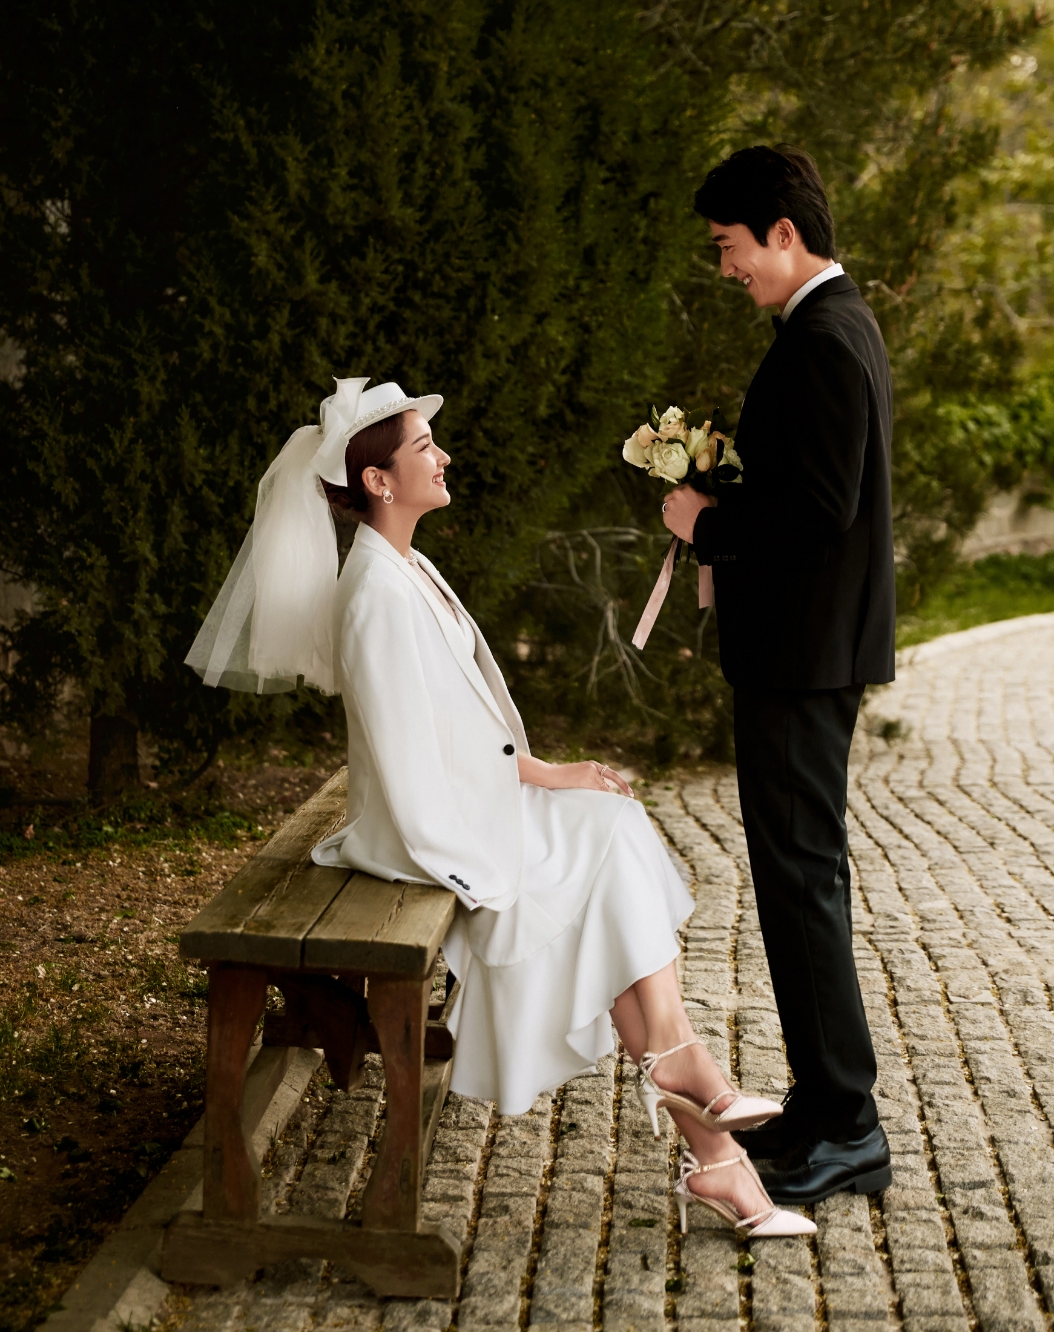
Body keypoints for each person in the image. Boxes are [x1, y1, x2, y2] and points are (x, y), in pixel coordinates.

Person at [185, 375, 815, 1238]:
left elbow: (462, 725)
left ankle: (710, 1140)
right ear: (378, 480)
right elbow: (408, 765)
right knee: (606, 846)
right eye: (423, 448)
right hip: (421, 829)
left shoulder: (407, 565)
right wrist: (515, 814)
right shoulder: (373, 593)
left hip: (457, 801)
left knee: (609, 836)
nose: (443, 457)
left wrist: (548, 773)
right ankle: (696, 1098)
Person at [662, 145, 895, 1204]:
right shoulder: (827, 328)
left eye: (729, 246)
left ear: (783, 233)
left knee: (803, 887)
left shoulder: (824, 339)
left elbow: (821, 507)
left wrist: (707, 523)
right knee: (797, 883)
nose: (726, 267)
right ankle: (822, 1104)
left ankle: (850, 1126)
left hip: (804, 659)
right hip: (804, 653)